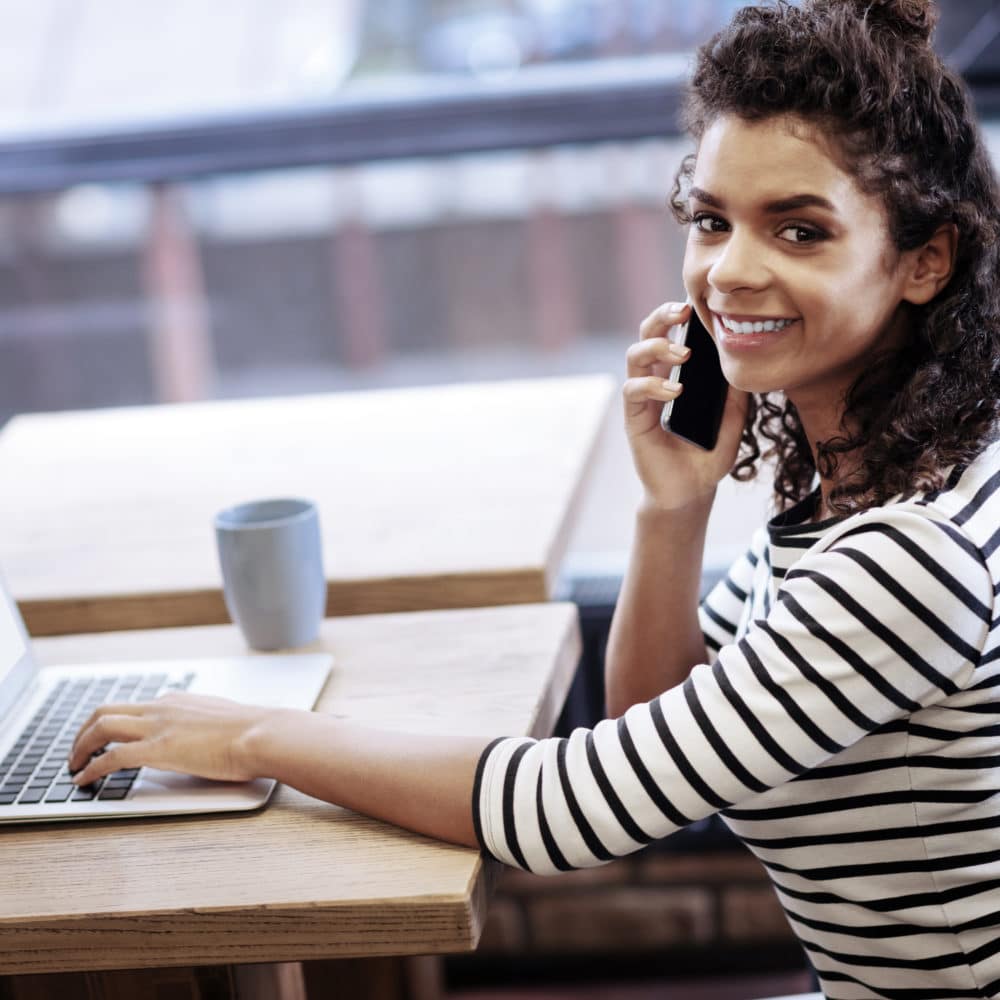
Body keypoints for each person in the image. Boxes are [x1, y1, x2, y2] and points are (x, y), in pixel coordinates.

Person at [70, 0, 1000, 995]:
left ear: (924, 260)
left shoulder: (907, 561)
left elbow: (578, 814)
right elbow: (657, 740)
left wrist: (257, 735)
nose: (728, 270)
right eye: (711, 220)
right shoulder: (869, 481)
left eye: (799, 230)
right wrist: (670, 508)